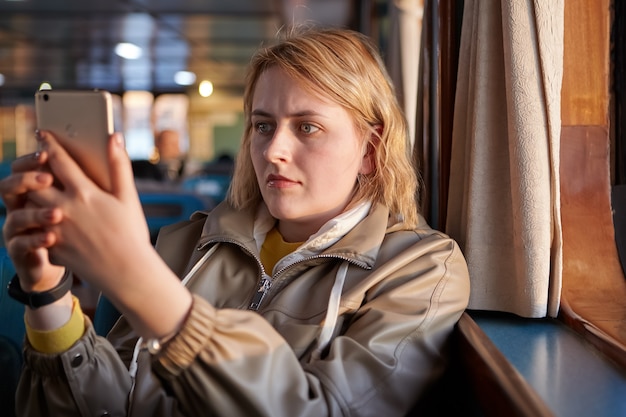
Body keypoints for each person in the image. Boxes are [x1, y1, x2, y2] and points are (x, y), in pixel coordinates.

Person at [0, 27, 470, 416]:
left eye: (307, 127)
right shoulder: (184, 245)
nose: (273, 151)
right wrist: (48, 295)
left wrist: (143, 285)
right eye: (263, 126)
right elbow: (110, 403)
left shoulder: (420, 269)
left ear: (369, 151)